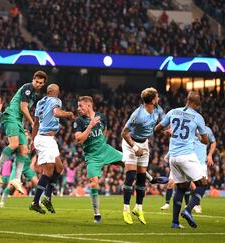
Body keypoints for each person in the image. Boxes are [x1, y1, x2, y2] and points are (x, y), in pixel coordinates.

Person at [154, 91, 209, 229]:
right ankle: (188, 210)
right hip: (187, 156)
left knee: (181, 187)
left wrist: (166, 132)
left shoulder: (173, 112)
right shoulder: (198, 117)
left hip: (173, 157)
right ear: (197, 104)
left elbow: (156, 129)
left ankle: (175, 222)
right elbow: (205, 141)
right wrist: (196, 133)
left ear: (186, 100)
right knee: (202, 184)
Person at [0, 71, 47, 194]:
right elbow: (23, 108)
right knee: (15, 144)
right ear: (33, 79)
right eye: (36, 81)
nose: (38, 84)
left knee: (24, 150)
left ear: (43, 84)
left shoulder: (35, 94)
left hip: (18, 121)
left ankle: (16, 179)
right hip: (11, 116)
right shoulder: (28, 87)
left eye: (40, 83)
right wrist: (32, 123)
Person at [73, 96, 123, 224]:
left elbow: (105, 131)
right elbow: (79, 140)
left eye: (80, 106)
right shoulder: (79, 121)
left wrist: (102, 143)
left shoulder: (101, 117)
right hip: (92, 156)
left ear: (89, 106)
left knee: (129, 161)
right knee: (94, 183)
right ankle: (97, 214)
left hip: (105, 149)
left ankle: (150, 178)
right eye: (78, 106)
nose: (78, 108)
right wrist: (90, 126)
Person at [121, 87, 165, 225]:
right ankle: (126, 209)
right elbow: (124, 133)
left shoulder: (158, 109)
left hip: (144, 144)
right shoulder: (138, 115)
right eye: (157, 97)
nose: (158, 99)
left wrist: (166, 131)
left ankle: (138, 208)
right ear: (152, 100)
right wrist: (134, 147)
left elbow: (157, 128)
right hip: (130, 143)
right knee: (130, 175)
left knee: (141, 178)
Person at [30, 84, 74, 214]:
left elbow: (35, 123)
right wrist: (69, 114)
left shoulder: (40, 103)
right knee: (48, 172)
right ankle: (35, 202)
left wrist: (33, 140)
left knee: (59, 168)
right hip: (45, 139)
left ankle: (47, 198)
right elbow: (56, 112)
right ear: (55, 92)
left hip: (45, 139)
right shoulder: (56, 100)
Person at [0, 129, 39, 208]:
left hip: (27, 167)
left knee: (37, 183)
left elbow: (35, 155)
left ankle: (38, 201)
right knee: (10, 186)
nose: (26, 136)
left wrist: (32, 164)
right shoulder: (18, 144)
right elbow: (10, 150)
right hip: (17, 167)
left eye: (27, 134)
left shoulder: (32, 145)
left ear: (29, 136)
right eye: (24, 134)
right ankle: (2, 202)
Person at [192, 126, 216, 213]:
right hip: (189, 159)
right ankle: (192, 204)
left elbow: (213, 142)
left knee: (202, 183)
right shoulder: (189, 126)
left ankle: (196, 204)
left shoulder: (207, 130)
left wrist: (210, 155)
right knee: (190, 184)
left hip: (201, 162)